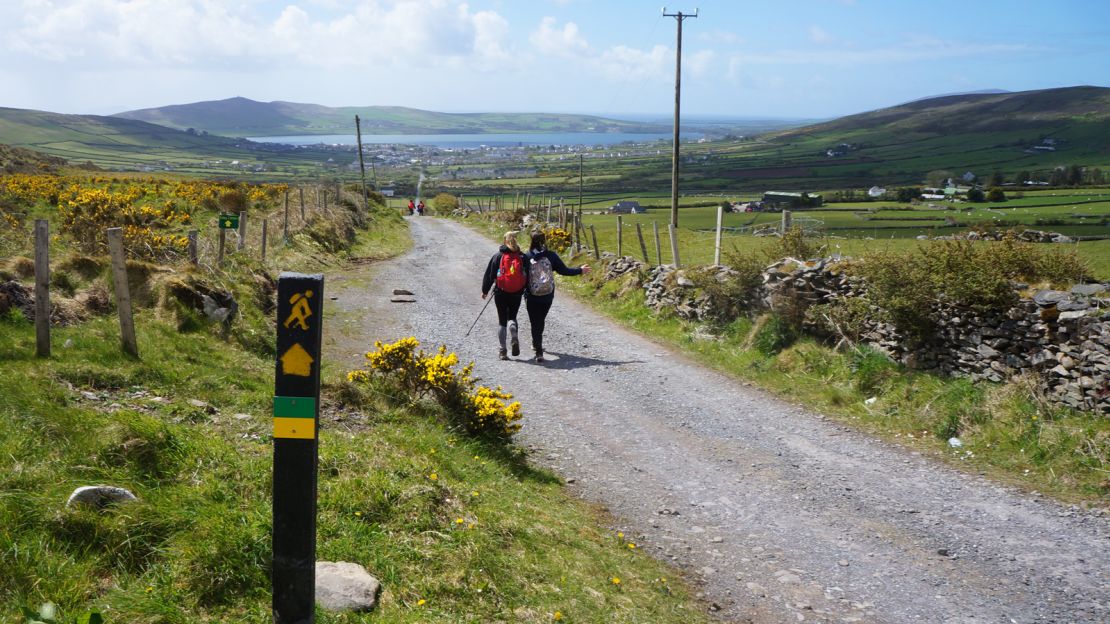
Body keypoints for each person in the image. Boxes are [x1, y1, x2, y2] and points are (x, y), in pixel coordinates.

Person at [524, 230, 590, 362]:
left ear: (531, 240)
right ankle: (537, 345)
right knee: (540, 321)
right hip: (547, 296)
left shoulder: (526, 256)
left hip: (531, 296)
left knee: (534, 322)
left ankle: (538, 351)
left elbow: (521, 276)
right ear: (545, 240)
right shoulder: (551, 256)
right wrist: (580, 270)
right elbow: (564, 271)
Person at [481, 231, 528, 360]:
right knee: (512, 316)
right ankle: (513, 330)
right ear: (516, 241)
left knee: (502, 321)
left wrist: (485, 290)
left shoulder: (498, 256)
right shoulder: (522, 257)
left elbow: (490, 275)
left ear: (504, 241)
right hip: (517, 292)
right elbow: (527, 275)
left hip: (501, 292)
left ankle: (503, 351)